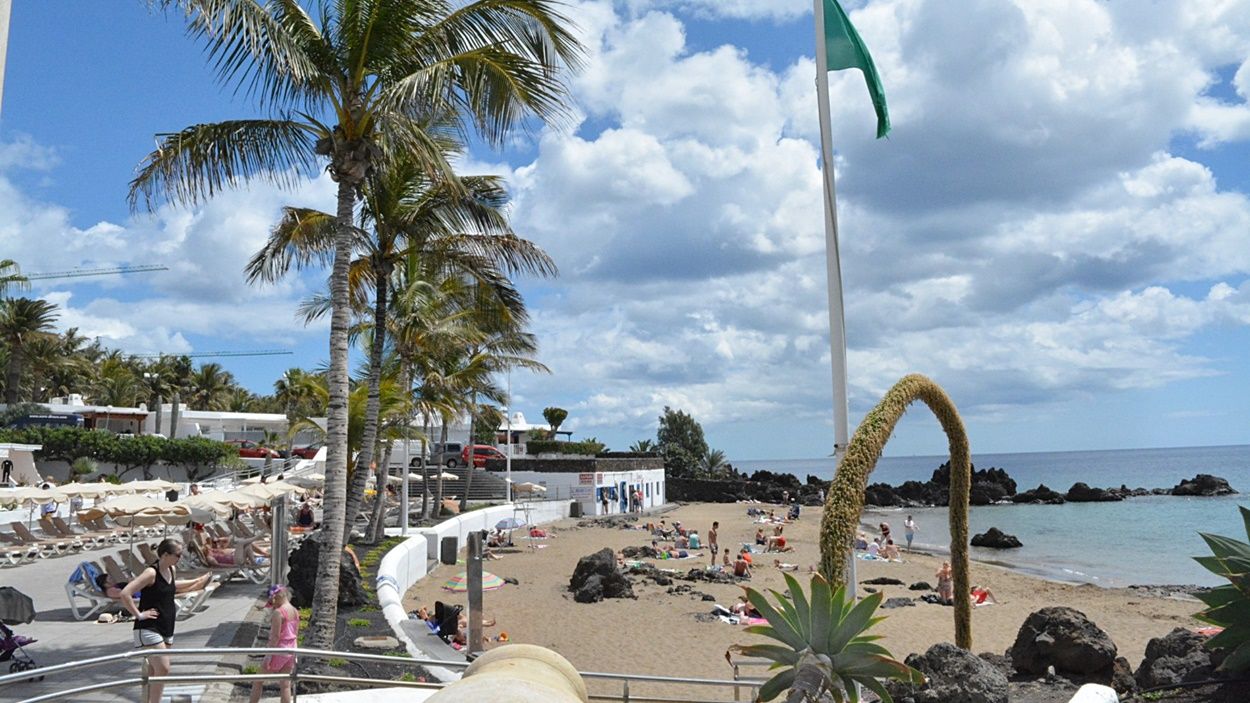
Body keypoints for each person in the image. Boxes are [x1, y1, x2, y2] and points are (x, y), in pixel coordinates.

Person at [121, 538, 213, 703]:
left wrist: (197, 581)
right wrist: (139, 614)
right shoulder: (151, 573)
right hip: (148, 626)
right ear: (165, 554)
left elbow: (172, 586)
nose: (180, 558)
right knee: (163, 668)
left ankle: (148, 700)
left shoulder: (172, 569)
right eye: (177, 555)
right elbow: (125, 593)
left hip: (167, 625)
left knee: (154, 670)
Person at [250, 585, 299, 703]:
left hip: (279, 650)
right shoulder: (295, 611)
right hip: (291, 649)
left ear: (276, 598)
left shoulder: (279, 612)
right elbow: (295, 633)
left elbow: (276, 637)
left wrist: (268, 655)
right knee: (285, 684)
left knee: (258, 680)